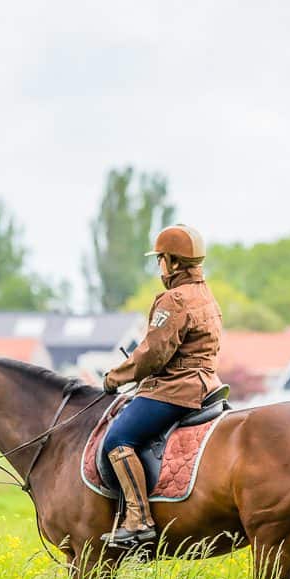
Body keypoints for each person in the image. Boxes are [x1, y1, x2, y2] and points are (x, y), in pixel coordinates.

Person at [100, 224, 223, 547]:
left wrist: (116, 377)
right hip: (206, 383)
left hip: (176, 389)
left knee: (117, 438)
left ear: (172, 261)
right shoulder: (205, 294)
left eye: (160, 259)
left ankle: (138, 519)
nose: (159, 266)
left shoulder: (175, 300)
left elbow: (151, 356)